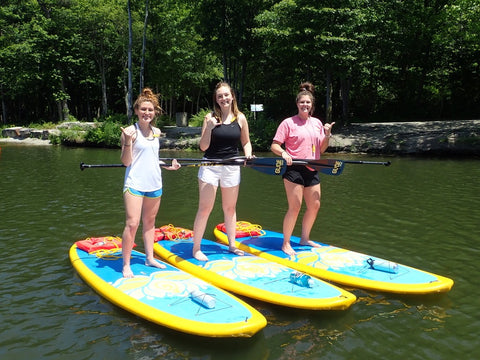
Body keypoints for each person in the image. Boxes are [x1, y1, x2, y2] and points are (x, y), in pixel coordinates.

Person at [120, 87, 181, 278]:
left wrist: (167, 165)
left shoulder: (156, 132)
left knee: (150, 223)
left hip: (155, 183)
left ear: (155, 112)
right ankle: (126, 264)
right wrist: (129, 141)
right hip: (134, 184)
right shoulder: (129, 131)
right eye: (143, 109)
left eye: (150, 110)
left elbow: (153, 157)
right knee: (132, 224)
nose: (147, 113)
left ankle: (149, 258)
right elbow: (126, 162)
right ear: (137, 111)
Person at [271, 82, 335, 256]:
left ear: (312, 105)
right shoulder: (288, 123)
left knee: (315, 205)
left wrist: (327, 134)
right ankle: (286, 243)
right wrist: (284, 154)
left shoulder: (317, 123)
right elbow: (275, 145)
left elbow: (321, 149)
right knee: (295, 206)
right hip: (294, 169)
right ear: (297, 104)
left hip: (312, 168)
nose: (305, 105)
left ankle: (304, 238)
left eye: (308, 103)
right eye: (302, 103)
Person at [192, 82, 253, 261]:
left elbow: (246, 142)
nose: (223, 99)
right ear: (216, 100)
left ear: (232, 96)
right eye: (220, 96)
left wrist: (248, 155)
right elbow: (203, 146)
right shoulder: (209, 117)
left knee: (230, 208)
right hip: (210, 166)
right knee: (205, 208)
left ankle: (232, 245)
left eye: (226, 95)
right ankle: (196, 248)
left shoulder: (240, 118)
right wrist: (210, 128)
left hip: (232, 166)